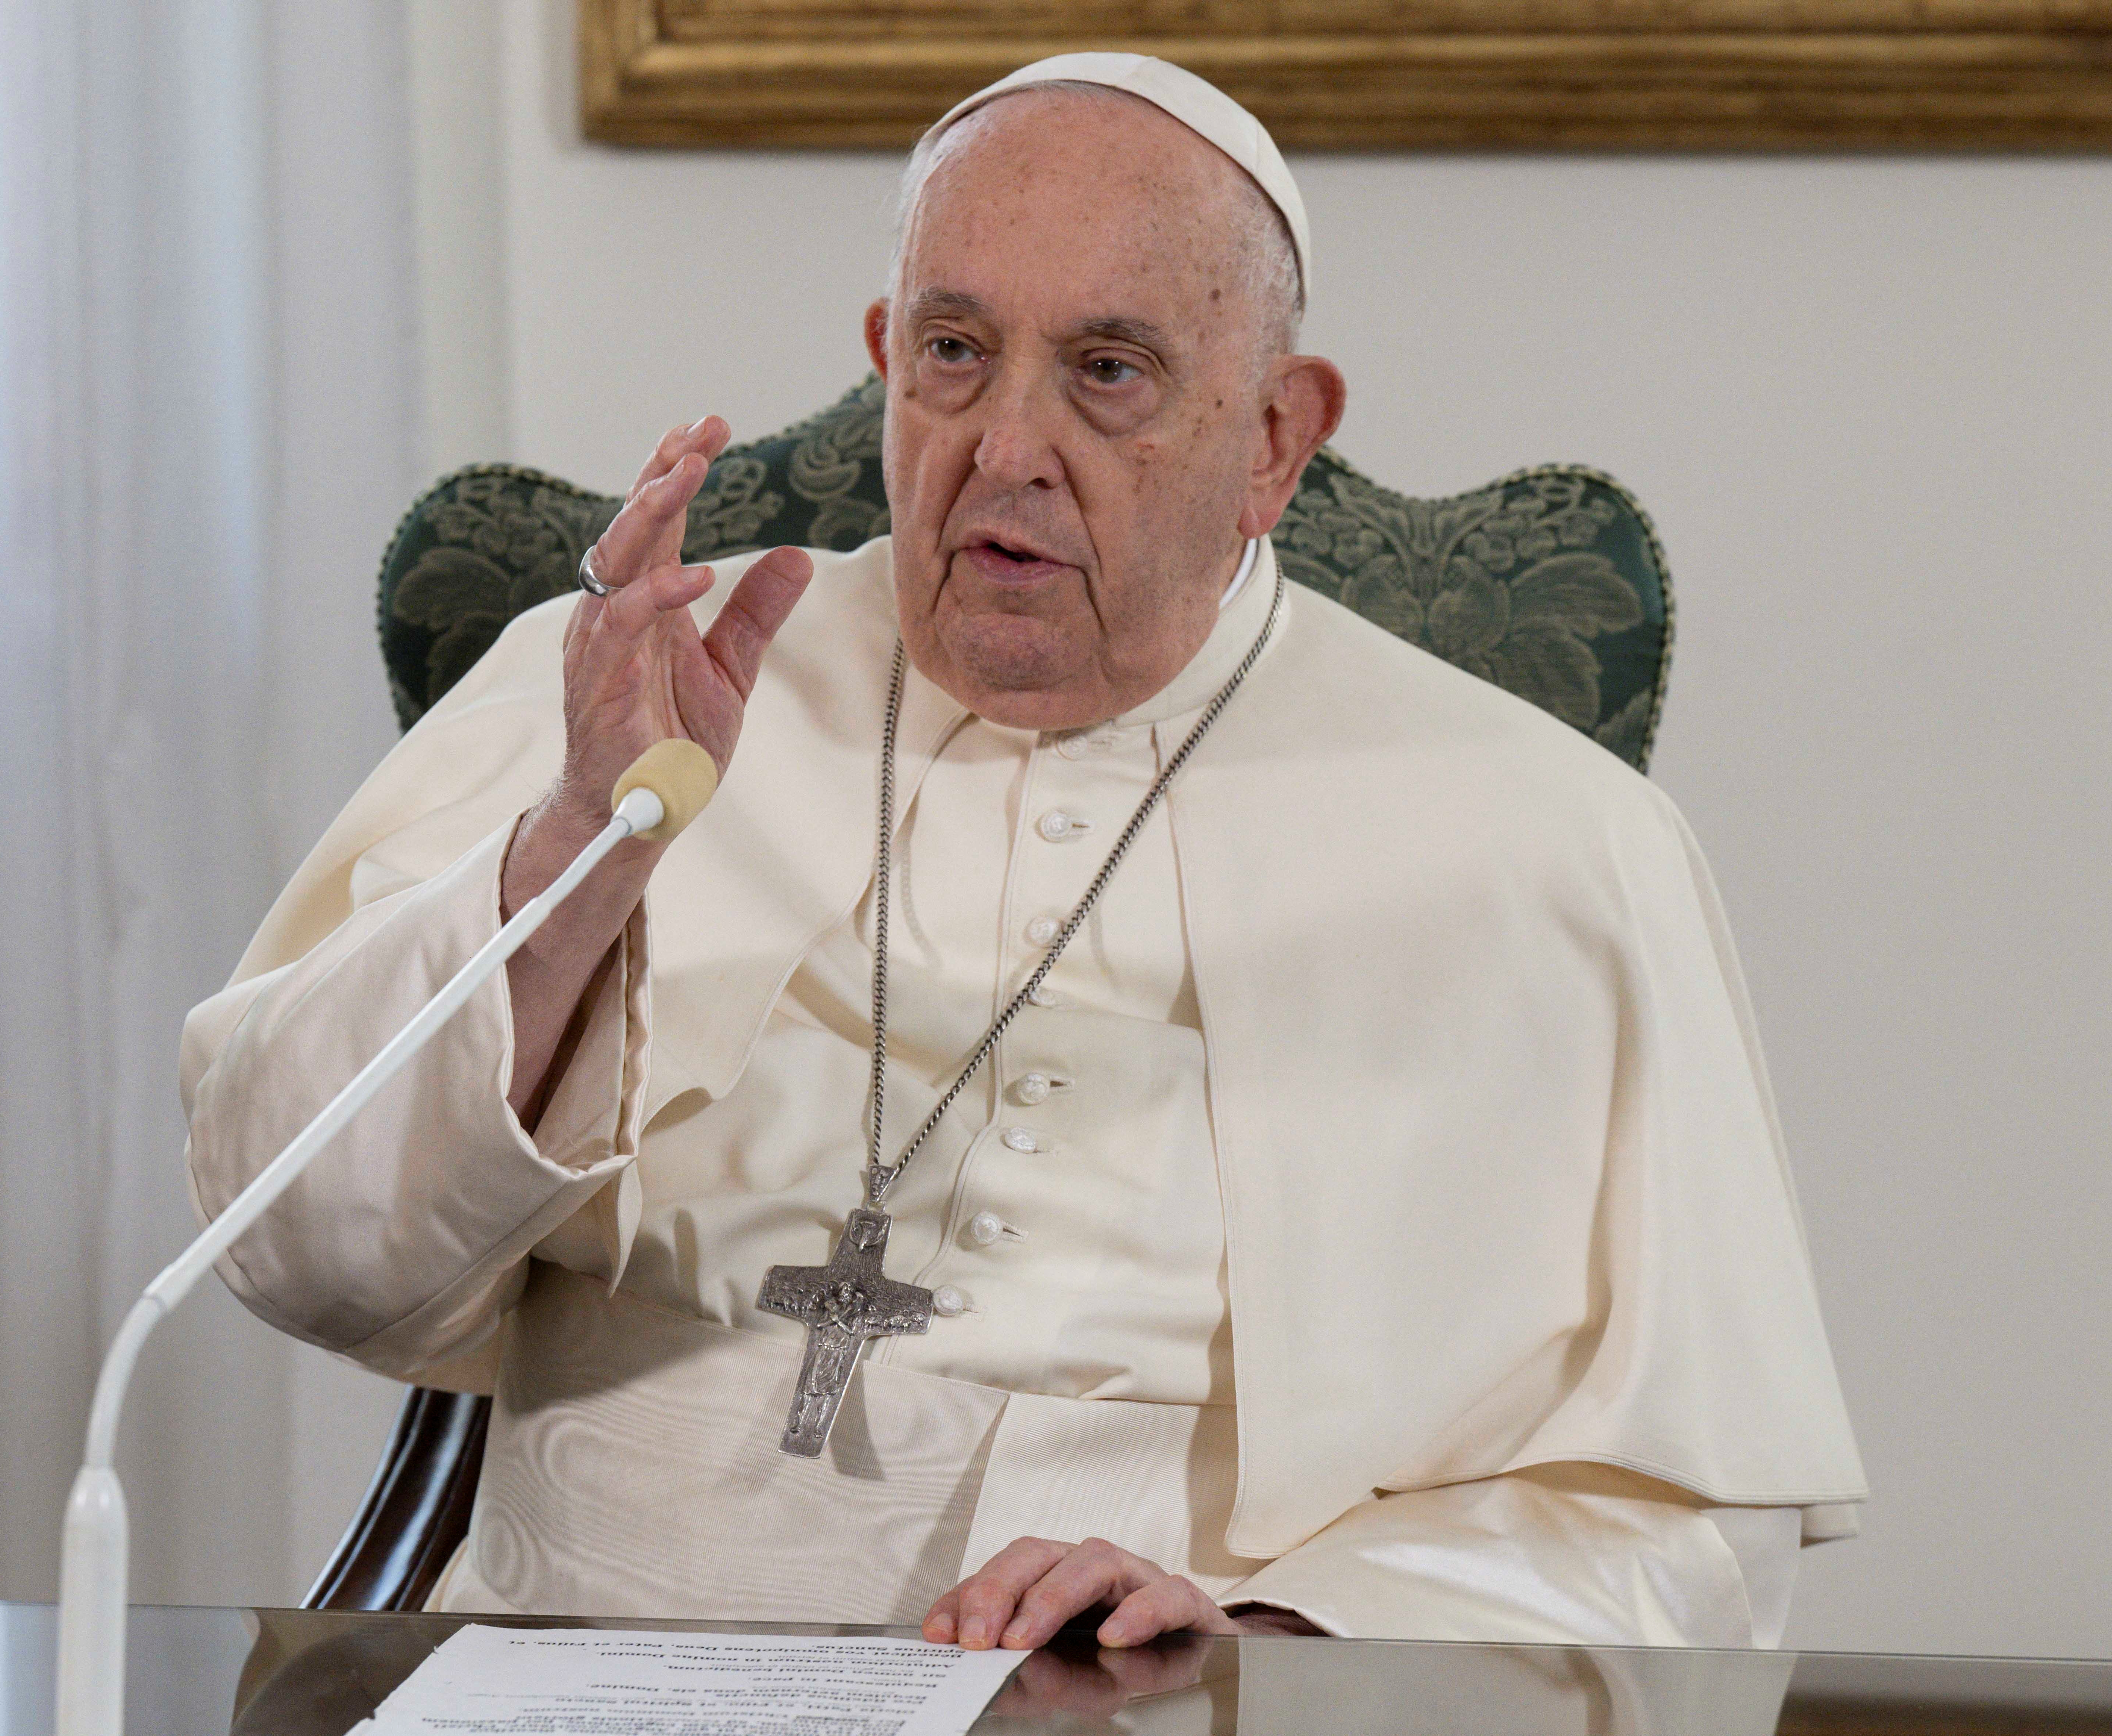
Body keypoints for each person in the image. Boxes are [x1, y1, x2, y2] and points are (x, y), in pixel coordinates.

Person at [184, 54, 1865, 1651]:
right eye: (955, 352)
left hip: (1154, 1703)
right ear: (882, 358)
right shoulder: (634, 687)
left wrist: (1273, 1638)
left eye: (1109, 372)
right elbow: (293, 1243)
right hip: (588, 1657)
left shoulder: (1552, 842)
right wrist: (579, 850)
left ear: (1274, 437)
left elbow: (1681, 1531)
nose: (1003, 449)